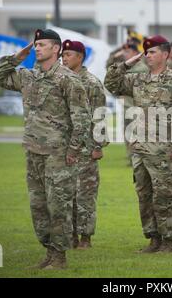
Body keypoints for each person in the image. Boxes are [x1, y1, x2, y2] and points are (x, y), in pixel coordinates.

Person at [0, 29, 93, 269]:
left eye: (42, 45)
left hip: (58, 153)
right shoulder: (28, 77)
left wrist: (73, 150)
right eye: (35, 45)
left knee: (59, 205)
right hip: (33, 150)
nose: (37, 48)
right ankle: (49, 252)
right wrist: (19, 55)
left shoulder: (68, 79)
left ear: (56, 49)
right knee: (38, 206)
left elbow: (82, 118)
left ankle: (59, 257)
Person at [104, 35, 172, 253]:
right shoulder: (138, 79)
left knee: (164, 196)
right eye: (146, 52)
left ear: (165, 54)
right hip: (140, 148)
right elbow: (111, 83)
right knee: (144, 196)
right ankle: (153, 238)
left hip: (164, 151)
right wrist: (127, 63)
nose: (148, 56)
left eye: (152, 52)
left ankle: (167, 240)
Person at [61, 39, 107, 249]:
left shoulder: (91, 83)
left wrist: (97, 146)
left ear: (80, 57)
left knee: (85, 194)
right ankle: (69, 235)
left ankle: (85, 237)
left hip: (86, 147)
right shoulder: (59, 79)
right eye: (63, 54)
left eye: (69, 54)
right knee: (65, 193)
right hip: (63, 146)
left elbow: (99, 115)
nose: (64, 57)